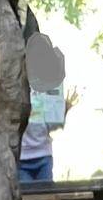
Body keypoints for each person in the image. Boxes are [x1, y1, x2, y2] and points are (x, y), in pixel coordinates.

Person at [19, 10, 68, 186]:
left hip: (43, 154)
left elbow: (55, 123)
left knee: (46, 199)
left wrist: (63, 110)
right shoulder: (13, 76)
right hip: (20, 155)